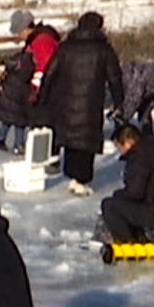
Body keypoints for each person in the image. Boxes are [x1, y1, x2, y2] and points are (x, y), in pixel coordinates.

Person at [37, 10, 122, 195]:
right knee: (85, 141)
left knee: (70, 138)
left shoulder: (65, 47)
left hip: (66, 102)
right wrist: (119, 102)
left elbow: (50, 73)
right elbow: (115, 78)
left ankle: (72, 176)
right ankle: (80, 180)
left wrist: (42, 97)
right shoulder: (104, 50)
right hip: (91, 103)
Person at [100, 124, 154, 243]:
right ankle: (139, 236)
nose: (120, 151)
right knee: (126, 204)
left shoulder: (140, 158)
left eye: (120, 146)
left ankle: (129, 242)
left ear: (129, 142)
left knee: (109, 205)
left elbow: (135, 193)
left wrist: (118, 195)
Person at [0, 10, 60, 153]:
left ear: (26, 29)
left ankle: (40, 155)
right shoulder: (37, 39)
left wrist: (35, 91)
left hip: (46, 91)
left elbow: (43, 68)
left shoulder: (41, 41)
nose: (18, 36)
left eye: (18, 32)